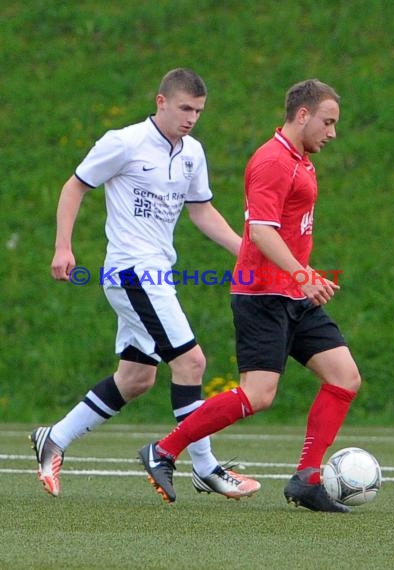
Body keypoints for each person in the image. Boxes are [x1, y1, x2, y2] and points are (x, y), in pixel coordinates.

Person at [30, 68, 260, 501]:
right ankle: (206, 468)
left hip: (157, 273)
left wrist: (248, 253)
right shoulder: (124, 141)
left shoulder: (192, 151)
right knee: (191, 363)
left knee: (136, 378)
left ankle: (54, 438)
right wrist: (63, 247)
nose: (191, 118)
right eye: (184, 108)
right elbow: (74, 187)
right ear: (161, 102)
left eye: (198, 110)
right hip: (133, 271)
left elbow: (202, 212)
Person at [139, 79, 361, 511]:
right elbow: (259, 231)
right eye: (327, 122)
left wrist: (304, 277)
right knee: (258, 395)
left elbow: (288, 231)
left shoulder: (302, 160)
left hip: (293, 293)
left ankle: (307, 479)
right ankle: (163, 450)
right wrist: (301, 276)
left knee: (344, 377)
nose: (332, 132)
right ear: (302, 115)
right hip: (262, 295)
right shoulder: (273, 160)